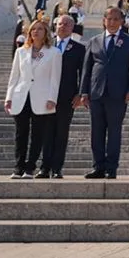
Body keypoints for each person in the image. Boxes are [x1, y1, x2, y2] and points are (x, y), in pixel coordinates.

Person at [79, 6, 129, 179]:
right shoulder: (94, 41)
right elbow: (86, 69)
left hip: (118, 93)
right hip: (96, 92)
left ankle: (111, 167)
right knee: (96, 131)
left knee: (114, 131)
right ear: (104, 21)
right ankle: (98, 166)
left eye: (116, 19)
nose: (112, 22)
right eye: (109, 19)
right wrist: (83, 92)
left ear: (121, 21)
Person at [5, 19, 62, 179]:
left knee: (38, 134)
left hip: (42, 97)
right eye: (33, 29)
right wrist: (9, 97)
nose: (36, 32)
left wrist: (52, 98)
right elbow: (14, 76)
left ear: (46, 33)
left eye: (40, 29)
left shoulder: (54, 53)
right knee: (20, 134)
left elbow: (55, 79)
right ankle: (18, 167)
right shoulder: (21, 51)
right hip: (21, 95)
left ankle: (30, 167)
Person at [42, 15, 85, 178]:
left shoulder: (79, 48)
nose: (63, 26)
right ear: (55, 25)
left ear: (72, 28)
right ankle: (44, 168)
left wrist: (80, 93)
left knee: (61, 133)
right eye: (60, 24)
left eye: (67, 24)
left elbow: (83, 73)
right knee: (46, 132)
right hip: (46, 96)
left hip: (67, 97)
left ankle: (56, 168)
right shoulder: (46, 46)